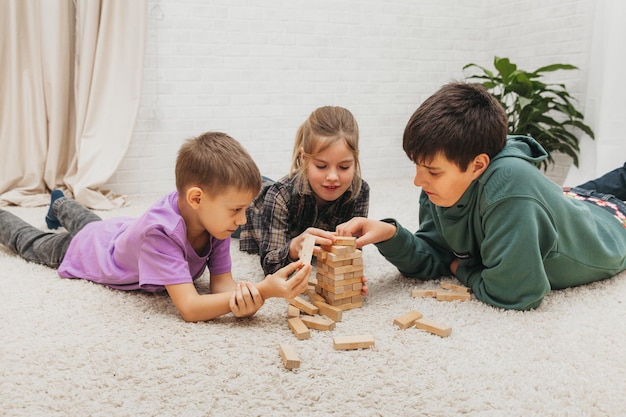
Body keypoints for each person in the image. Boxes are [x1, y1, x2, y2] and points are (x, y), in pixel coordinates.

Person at [336, 82, 626, 311]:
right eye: (418, 167)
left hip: (614, 224)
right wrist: (390, 234)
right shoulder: (437, 187)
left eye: (433, 172)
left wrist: (461, 268)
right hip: (576, 200)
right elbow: (434, 256)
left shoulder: (510, 191)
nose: (417, 180)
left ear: (477, 166)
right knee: (583, 192)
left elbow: (517, 293)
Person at [0, 132, 311, 322]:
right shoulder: (160, 234)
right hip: (88, 252)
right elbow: (189, 308)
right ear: (197, 198)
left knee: (93, 224)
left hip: (120, 232)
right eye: (236, 209)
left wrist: (245, 300)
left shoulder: (213, 223)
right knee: (32, 242)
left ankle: (60, 204)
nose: (242, 220)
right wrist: (263, 291)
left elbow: (221, 288)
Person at [239, 106, 370, 279]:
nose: (332, 177)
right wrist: (293, 247)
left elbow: (352, 251)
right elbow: (270, 265)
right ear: (304, 158)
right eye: (321, 166)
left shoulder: (360, 191)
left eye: (344, 167)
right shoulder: (280, 194)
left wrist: (350, 272)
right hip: (253, 208)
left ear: (355, 159)